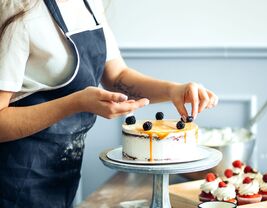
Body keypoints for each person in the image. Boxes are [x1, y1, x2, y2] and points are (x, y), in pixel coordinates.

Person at [0, 0, 218, 207]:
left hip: (62, 171)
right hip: (15, 175)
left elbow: (117, 76)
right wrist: (75, 103)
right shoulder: (18, 11)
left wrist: (173, 90)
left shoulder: (89, 4)